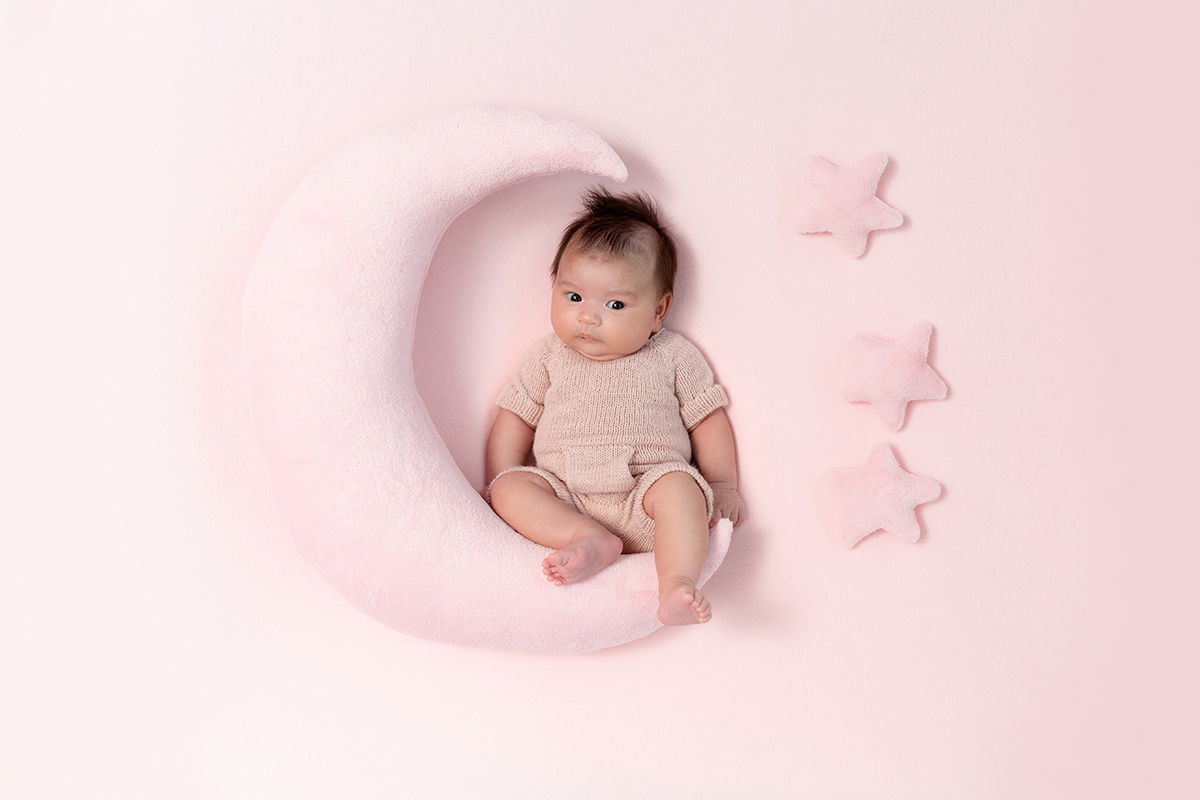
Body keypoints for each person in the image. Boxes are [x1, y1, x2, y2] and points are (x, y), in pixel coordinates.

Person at [485, 188, 745, 626]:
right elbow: (514, 420)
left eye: (615, 304)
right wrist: (497, 482)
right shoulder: (547, 357)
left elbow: (708, 421)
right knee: (510, 488)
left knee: (682, 487)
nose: (588, 317)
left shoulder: (674, 355)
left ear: (659, 311)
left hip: (645, 495)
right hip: (564, 498)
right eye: (573, 297)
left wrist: (722, 484)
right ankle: (589, 538)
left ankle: (676, 584)